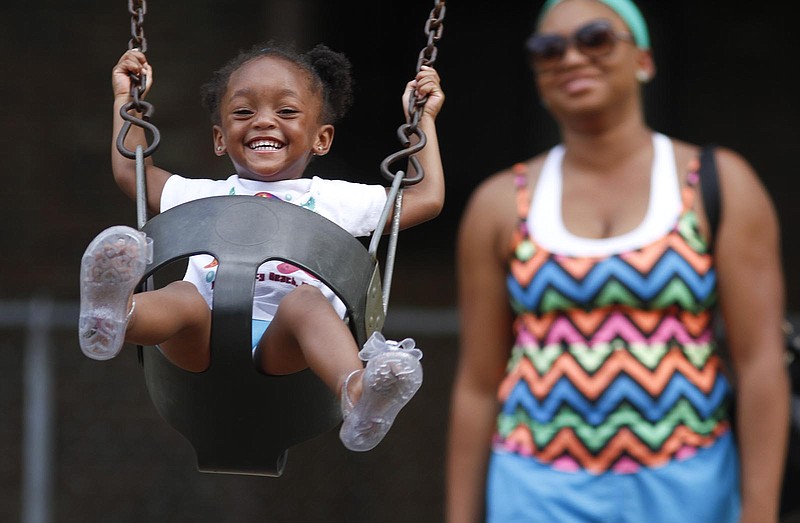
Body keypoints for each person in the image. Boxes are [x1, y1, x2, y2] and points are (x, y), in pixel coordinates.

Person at [446, 0, 789, 522]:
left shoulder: (718, 183)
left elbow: (761, 363)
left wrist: (759, 513)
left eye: (597, 39)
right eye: (548, 49)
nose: (572, 58)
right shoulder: (499, 202)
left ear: (644, 61)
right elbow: (476, 384)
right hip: (535, 492)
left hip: (689, 487)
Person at [79, 42, 445, 453]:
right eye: (243, 112)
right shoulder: (202, 195)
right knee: (185, 297)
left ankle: (359, 391)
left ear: (321, 138)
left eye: (286, 112)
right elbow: (133, 170)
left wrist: (424, 120)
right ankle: (115, 313)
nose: (264, 122)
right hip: (201, 339)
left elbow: (426, 198)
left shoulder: (337, 200)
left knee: (305, 302)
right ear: (220, 138)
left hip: (284, 348)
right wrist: (125, 99)